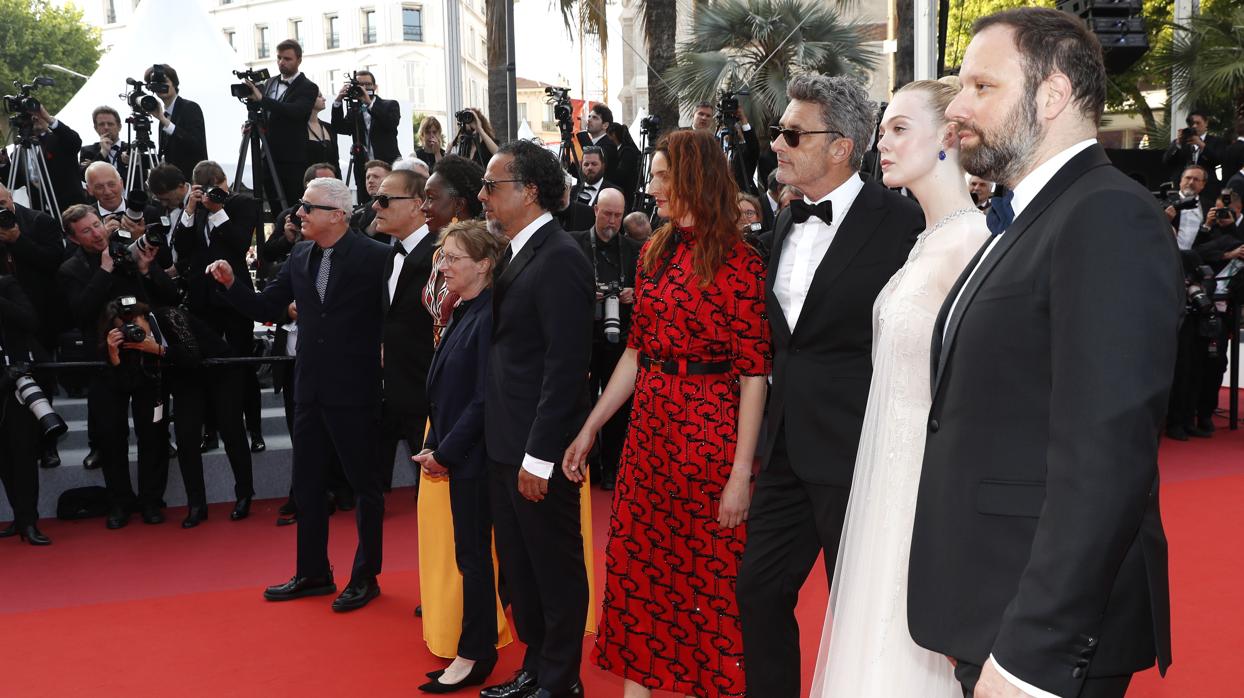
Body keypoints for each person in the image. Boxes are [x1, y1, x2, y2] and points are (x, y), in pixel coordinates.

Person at [908, 9, 1178, 697]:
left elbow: (1106, 458)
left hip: (1042, 638)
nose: (958, 107)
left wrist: (1031, 655)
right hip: (991, 604)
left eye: (980, 87)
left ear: (1052, 95)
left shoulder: (1104, 216)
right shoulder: (1030, 216)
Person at [735, 74, 924, 698]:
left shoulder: (903, 224)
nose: (777, 145)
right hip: (787, 448)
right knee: (758, 590)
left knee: (860, 612)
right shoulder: (788, 222)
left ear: (841, 146)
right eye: (778, 132)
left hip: (860, 451)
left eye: (792, 134)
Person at [564, 128, 770, 698]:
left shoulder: (739, 262)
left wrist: (738, 475)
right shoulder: (655, 250)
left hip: (708, 431)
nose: (650, 187)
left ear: (692, 180)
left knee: (707, 573)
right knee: (638, 564)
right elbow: (635, 351)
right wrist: (590, 427)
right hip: (650, 428)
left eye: (660, 176)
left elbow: (754, 373)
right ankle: (639, 687)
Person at [807, 76, 989, 697]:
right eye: (883, 129)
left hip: (926, 485)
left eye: (900, 129)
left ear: (952, 138)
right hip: (886, 475)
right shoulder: (926, 239)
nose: (881, 142)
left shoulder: (972, 245)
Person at [208, 177, 390, 612]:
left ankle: (365, 576)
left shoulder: (378, 257)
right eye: (299, 206)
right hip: (307, 387)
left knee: (365, 487)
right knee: (306, 485)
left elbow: (392, 319)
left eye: (307, 207)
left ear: (337, 215)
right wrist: (233, 285)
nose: (298, 214)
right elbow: (268, 306)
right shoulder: (300, 254)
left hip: (357, 388)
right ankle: (312, 572)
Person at [477, 139, 593, 698]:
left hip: (535, 448)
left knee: (553, 568)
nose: (483, 197)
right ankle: (534, 666)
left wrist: (539, 457)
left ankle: (561, 679)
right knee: (519, 570)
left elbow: (566, 367)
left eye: (492, 187)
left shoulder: (562, 257)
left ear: (528, 191)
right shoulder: (518, 251)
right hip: (504, 440)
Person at [415, 220, 512, 693]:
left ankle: (475, 653)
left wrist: (445, 452)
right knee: (471, 556)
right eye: (442, 256)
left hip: (475, 456)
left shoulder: (488, 313)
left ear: (485, 265)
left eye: (453, 258)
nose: (443, 266)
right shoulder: (463, 309)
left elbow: (483, 397)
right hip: (460, 449)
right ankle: (475, 647)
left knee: (474, 558)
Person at [58, 205, 180, 528]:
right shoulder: (70, 270)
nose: (97, 233)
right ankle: (120, 503)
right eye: (87, 230)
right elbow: (80, 313)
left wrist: (144, 269)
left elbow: (169, 297)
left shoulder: (128, 255)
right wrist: (104, 271)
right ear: (73, 238)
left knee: (153, 433)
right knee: (111, 437)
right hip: (104, 364)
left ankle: (152, 501)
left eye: (97, 225)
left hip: (145, 358)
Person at [569, 188, 637, 491]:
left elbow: (648, 291)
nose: (612, 220)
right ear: (595, 210)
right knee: (579, 401)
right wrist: (585, 294)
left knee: (618, 408)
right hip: (581, 337)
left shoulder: (636, 249)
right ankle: (587, 462)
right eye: (607, 213)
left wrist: (633, 294)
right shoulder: (572, 243)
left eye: (618, 215)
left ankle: (612, 468)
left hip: (620, 339)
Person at [375, 169, 436, 492]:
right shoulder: (392, 254)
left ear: (417, 204)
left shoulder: (442, 252)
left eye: (384, 200)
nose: (375, 207)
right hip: (393, 391)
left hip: (430, 395)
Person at [0, 183, 68, 468]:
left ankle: (47, 445)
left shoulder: (41, 221)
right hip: (5, 322)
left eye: (3, 202)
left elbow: (55, 262)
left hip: (40, 318)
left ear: (10, 197)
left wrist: (17, 240)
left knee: (43, 380)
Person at [0, 273, 50, 545]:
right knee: (4, 461)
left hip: (16, 385)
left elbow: (30, 320)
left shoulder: (8, 284)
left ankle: (29, 522)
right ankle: (20, 517)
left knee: (23, 456)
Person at [243, 39, 319, 211]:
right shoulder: (270, 82)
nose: (282, 62)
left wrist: (263, 100)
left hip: (291, 159)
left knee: (293, 208)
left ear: (299, 60)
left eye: (287, 59)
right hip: (267, 156)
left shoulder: (308, 87)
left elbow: (296, 111)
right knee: (274, 206)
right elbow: (266, 112)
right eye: (279, 58)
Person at [421, 155, 485, 345]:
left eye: (431, 198)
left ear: (458, 204)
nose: (423, 207)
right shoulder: (438, 254)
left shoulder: (480, 254)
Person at [0, 104, 85, 210]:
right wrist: (3, 164)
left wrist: (48, 119)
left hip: (72, 208)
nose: (34, 118)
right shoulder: (19, 152)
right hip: (41, 212)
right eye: (30, 117)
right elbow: (16, 183)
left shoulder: (59, 140)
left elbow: (74, 141)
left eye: (37, 115)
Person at [145, 64, 208, 183]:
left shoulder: (190, 107)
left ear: (174, 83)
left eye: (164, 81)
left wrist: (165, 122)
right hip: (172, 184)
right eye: (156, 83)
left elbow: (196, 145)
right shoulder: (163, 115)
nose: (161, 86)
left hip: (192, 181)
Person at [1163, 109, 1225, 209]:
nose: (1195, 126)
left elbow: (1218, 161)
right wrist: (1178, 144)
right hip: (1182, 188)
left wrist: (1202, 146)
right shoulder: (1180, 142)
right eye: (1192, 123)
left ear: (1206, 123)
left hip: (1207, 188)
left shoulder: (1216, 142)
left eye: (1198, 123)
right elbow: (1167, 161)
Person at [1166, 164, 1210, 250]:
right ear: (1181, 181)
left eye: (1196, 179)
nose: (1191, 182)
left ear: (1203, 184)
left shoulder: (1208, 207)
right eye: (1188, 178)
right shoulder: (1166, 202)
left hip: (1195, 258)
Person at [79, 106, 129, 178]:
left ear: (119, 127)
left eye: (110, 124)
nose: (106, 127)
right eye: (101, 124)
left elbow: (142, 177)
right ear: (96, 128)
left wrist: (132, 163)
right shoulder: (87, 151)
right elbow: (85, 177)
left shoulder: (131, 149)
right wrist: (103, 153)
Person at [575, 104, 620, 184]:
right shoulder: (591, 142)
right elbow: (585, 174)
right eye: (589, 116)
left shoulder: (609, 144)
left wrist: (582, 131)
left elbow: (594, 157)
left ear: (605, 125)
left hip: (603, 193)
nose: (589, 120)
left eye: (595, 118)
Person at [605, 122, 641, 209]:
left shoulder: (627, 151)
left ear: (613, 135)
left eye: (607, 136)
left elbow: (622, 174)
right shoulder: (623, 149)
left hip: (628, 193)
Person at [305, 92, 339, 174]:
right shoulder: (299, 129)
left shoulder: (328, 127)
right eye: (319, 96)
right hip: (310, 181)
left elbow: (336, 162)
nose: (324, 99)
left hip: (331, 181)